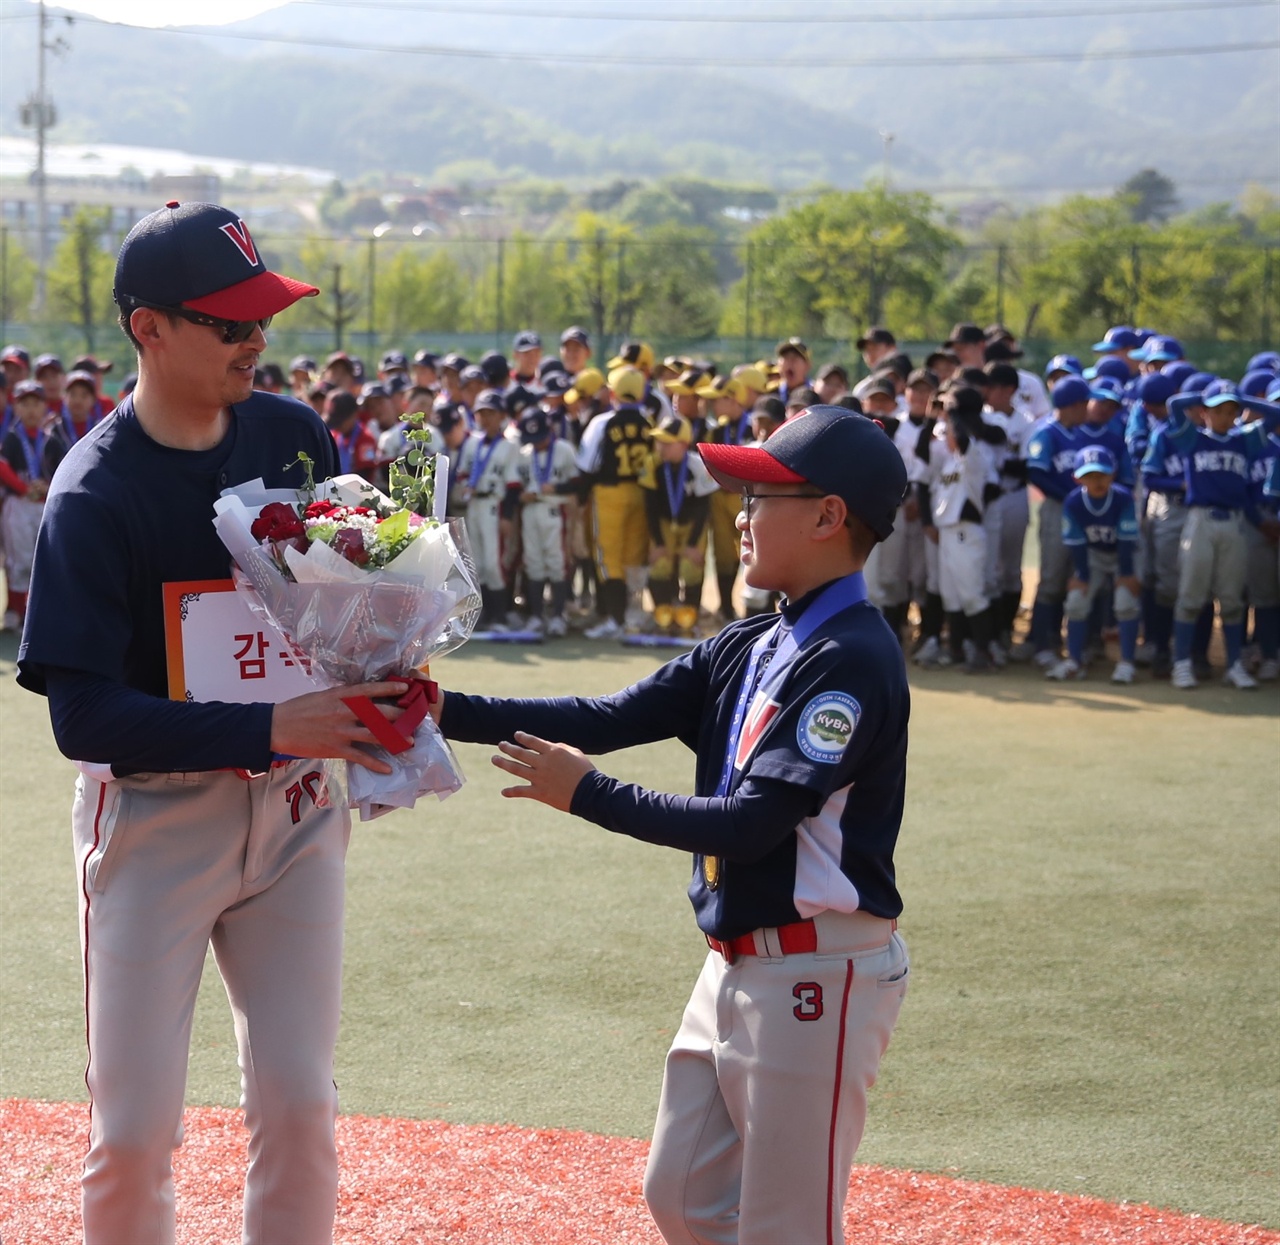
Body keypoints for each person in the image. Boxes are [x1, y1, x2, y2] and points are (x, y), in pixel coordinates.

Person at [15, 201, 410, 1244]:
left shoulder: (292, 434)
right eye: (229, 321)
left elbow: (338, 601)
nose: (256, 338)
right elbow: (84, 716)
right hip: (153, 826)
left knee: (298, 1103)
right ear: (149, 328)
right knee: (137, 1130)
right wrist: (280, 726)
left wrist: (388, 652)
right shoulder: (94, 493)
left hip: (296, 814)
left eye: (261, 316)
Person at [433, 406, 910, 1245]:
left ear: (830, 516)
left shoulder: (852, 659)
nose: (744, 514)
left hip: (817, 975)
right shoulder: (755, 640)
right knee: (682, 1196)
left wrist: (587, 794)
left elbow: (752, 825)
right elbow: (603, 714)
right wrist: (438, 709)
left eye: (763, 495)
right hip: (733, 964)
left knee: (788, 1228)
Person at [1049, 446, 1141, 683]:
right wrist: (1082, 575)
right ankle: (1074, 661)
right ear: (1077, 478)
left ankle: (1127, 663)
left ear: (1113, 474)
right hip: (1093, 556)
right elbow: (1077, 544)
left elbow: (1126, 542)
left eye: (1102, 475)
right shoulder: (1073, 502)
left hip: (1125, 555)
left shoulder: (1122, 498)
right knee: (1077, 601)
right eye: (1089, 476)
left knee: (1125, 600)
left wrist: (1127, 573)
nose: (1097, 481)